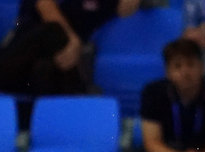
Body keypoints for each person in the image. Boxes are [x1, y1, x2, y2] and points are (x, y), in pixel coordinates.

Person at [0, 0, 141, 95]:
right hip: (16, 64)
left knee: (45, 69)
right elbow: (44, 4)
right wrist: (72, 41)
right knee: (52, 32)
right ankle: (80, 93)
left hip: (55, 70)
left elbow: (128, 7)